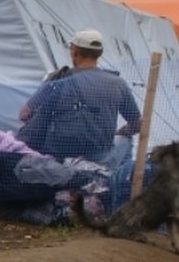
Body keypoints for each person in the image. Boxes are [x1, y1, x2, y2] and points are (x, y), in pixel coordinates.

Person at [18, 29, 140, 163]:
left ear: (74, 51)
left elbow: (24, 115)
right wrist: (119, 133)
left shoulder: (57, 80)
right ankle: (120, 181)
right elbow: (137, 125)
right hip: (98, 156)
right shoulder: (118, 83)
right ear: (99, 53)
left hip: (58, 155)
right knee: (125, 141)